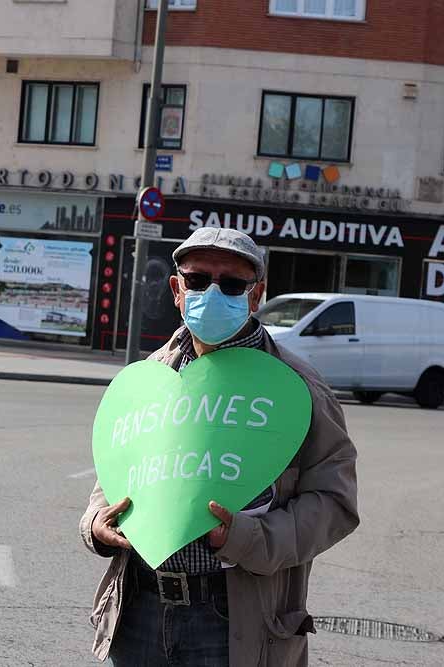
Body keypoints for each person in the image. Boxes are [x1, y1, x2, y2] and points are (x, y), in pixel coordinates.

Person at [80, 228, 359, 666]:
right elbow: (116, 473)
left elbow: (334, 503)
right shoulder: (149, 377)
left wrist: (247, 538)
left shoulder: (297, 387)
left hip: (231, 618)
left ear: (255, 295)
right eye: (197, 280)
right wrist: (96, 523)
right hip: (138, 608)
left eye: (231, 284)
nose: (212, 293)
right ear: (177, 289)